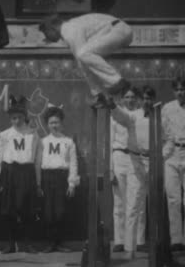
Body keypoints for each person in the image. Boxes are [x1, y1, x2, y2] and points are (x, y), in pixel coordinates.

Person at [39, 13, 133, 107]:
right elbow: (84, 63)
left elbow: (82, 62)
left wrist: (97, 92)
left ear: (52, 28)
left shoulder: (69, 31)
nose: (47, 37)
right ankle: (110, 88)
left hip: (118, 30)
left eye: (46, 33)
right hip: (118, 30)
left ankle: (117, 81)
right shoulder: (71, 27)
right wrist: (98, 94)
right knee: (85, 55)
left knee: (83, 54)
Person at [108, 85, 156, 259]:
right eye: (144, 98)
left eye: (150, 98)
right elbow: (121, 117)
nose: (146, 101)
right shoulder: (132, 116)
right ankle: (129, 248)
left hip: (154, 163)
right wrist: (112, 106)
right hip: (133, 162)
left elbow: (167, 139)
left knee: (150, 204)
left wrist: (160, 156)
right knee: (131, 205)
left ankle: (149, 244)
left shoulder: (158, 115)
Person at [0, 95, 41, 253]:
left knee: (28, 210)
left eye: (19, 117)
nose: (16, 121)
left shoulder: (33, 134)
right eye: (13, 118)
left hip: (27, 173)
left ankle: (28, 243)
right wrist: (1, 180)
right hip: (9, 173)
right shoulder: (4, 135)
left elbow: (37, 160)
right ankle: (10, 243)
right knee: (9, 210)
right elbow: (0, 158)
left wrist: (38, 182)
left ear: (25, 117)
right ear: (10, 119)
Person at [37, 106, 79, 252]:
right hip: (47, 178)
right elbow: (38, 163)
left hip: (62, 178)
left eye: (57, 122)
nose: (54, 125)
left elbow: (73, 164)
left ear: (62, 123)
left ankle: (60, 243)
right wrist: (38, 184)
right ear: (47, 125)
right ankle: (50, 243)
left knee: (60, 212)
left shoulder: (68, 142)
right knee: (48, 212)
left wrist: (71, 184)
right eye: (51, 123)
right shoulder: (42, 142)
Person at [162, 78, 185, 251]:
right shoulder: (167, 109)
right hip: (172, 155)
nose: (180, 92)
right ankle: (176, 239)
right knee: (173, 199)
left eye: (183, 89)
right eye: (177, 89)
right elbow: (162, 134)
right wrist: (165, 154)